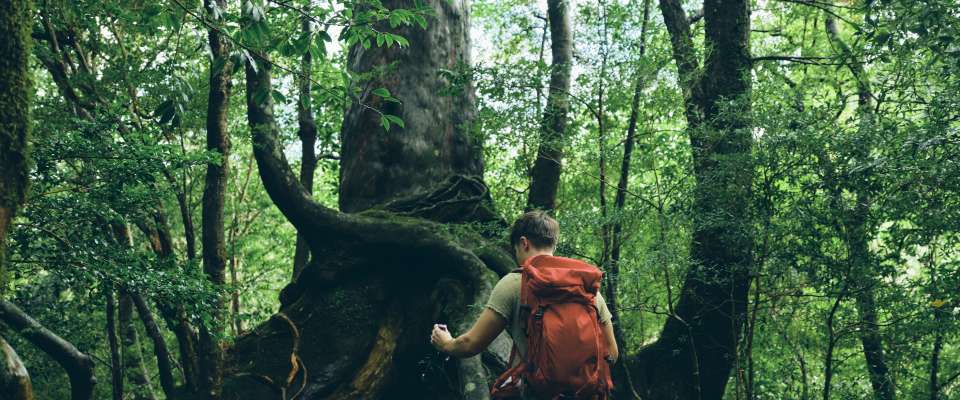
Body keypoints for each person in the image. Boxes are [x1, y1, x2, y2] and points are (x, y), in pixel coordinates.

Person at [429, 210, 619, 395]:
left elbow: (472, 344)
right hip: (586, 392)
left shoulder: (513, 284)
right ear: (553, 245)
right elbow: (612, 352)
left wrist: (446, 343)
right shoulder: (586, 287)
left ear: (523, 243)